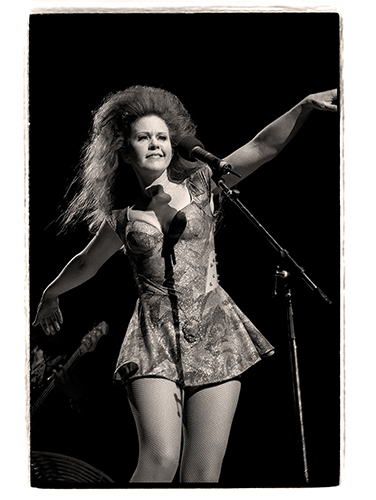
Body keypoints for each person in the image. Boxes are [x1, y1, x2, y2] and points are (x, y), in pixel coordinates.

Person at [32, 85, 337, 483]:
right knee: (160, 460)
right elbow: (85, 263)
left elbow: (262, 147)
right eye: (143, 138)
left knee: (202, 475)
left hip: (214, 330)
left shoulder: (202, 186)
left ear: (173, 145)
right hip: (153, 337)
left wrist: (304, 105)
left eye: (162, 137)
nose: (155, 144)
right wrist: (49, 294)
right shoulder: (123, 219)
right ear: (126, 152)